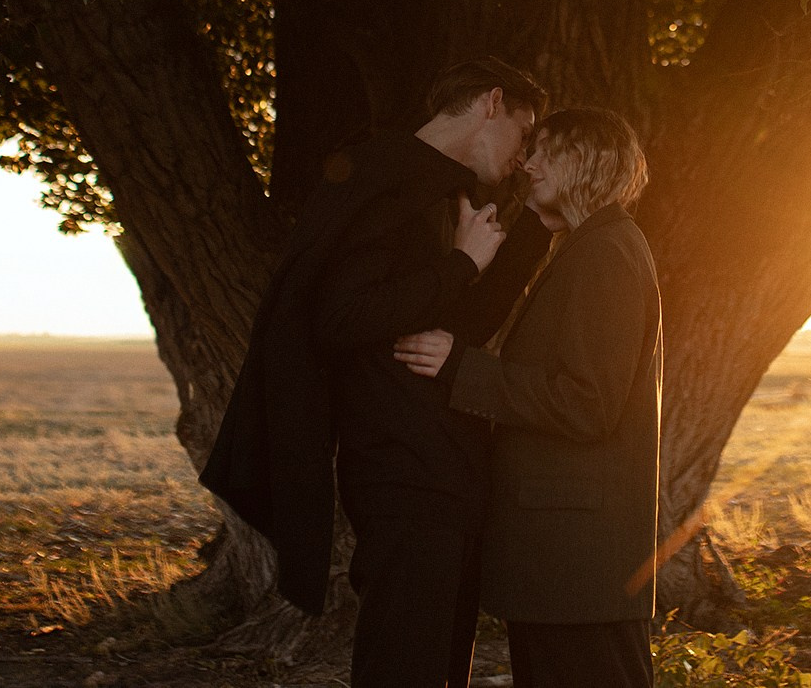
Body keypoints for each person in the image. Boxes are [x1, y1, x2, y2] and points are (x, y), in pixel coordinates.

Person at [200, 57, 551, 688]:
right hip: (400, 469)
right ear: (491, 103)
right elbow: (338, 319)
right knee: (404, 664)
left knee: (443, 665)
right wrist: (461, 264)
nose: (523, 157)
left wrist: (530, 238)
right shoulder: (382, 175)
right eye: (524, 134)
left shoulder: (444, 191)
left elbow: (454, 331)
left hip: (444, 463)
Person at [394, 107, 660, 688]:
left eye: (546, 152)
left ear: (586, 162)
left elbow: (589, 404)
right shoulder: (588, 247)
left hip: (580, 566)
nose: (528, 164)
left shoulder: (606, 254)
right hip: (561, 563)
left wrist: (462, 369)